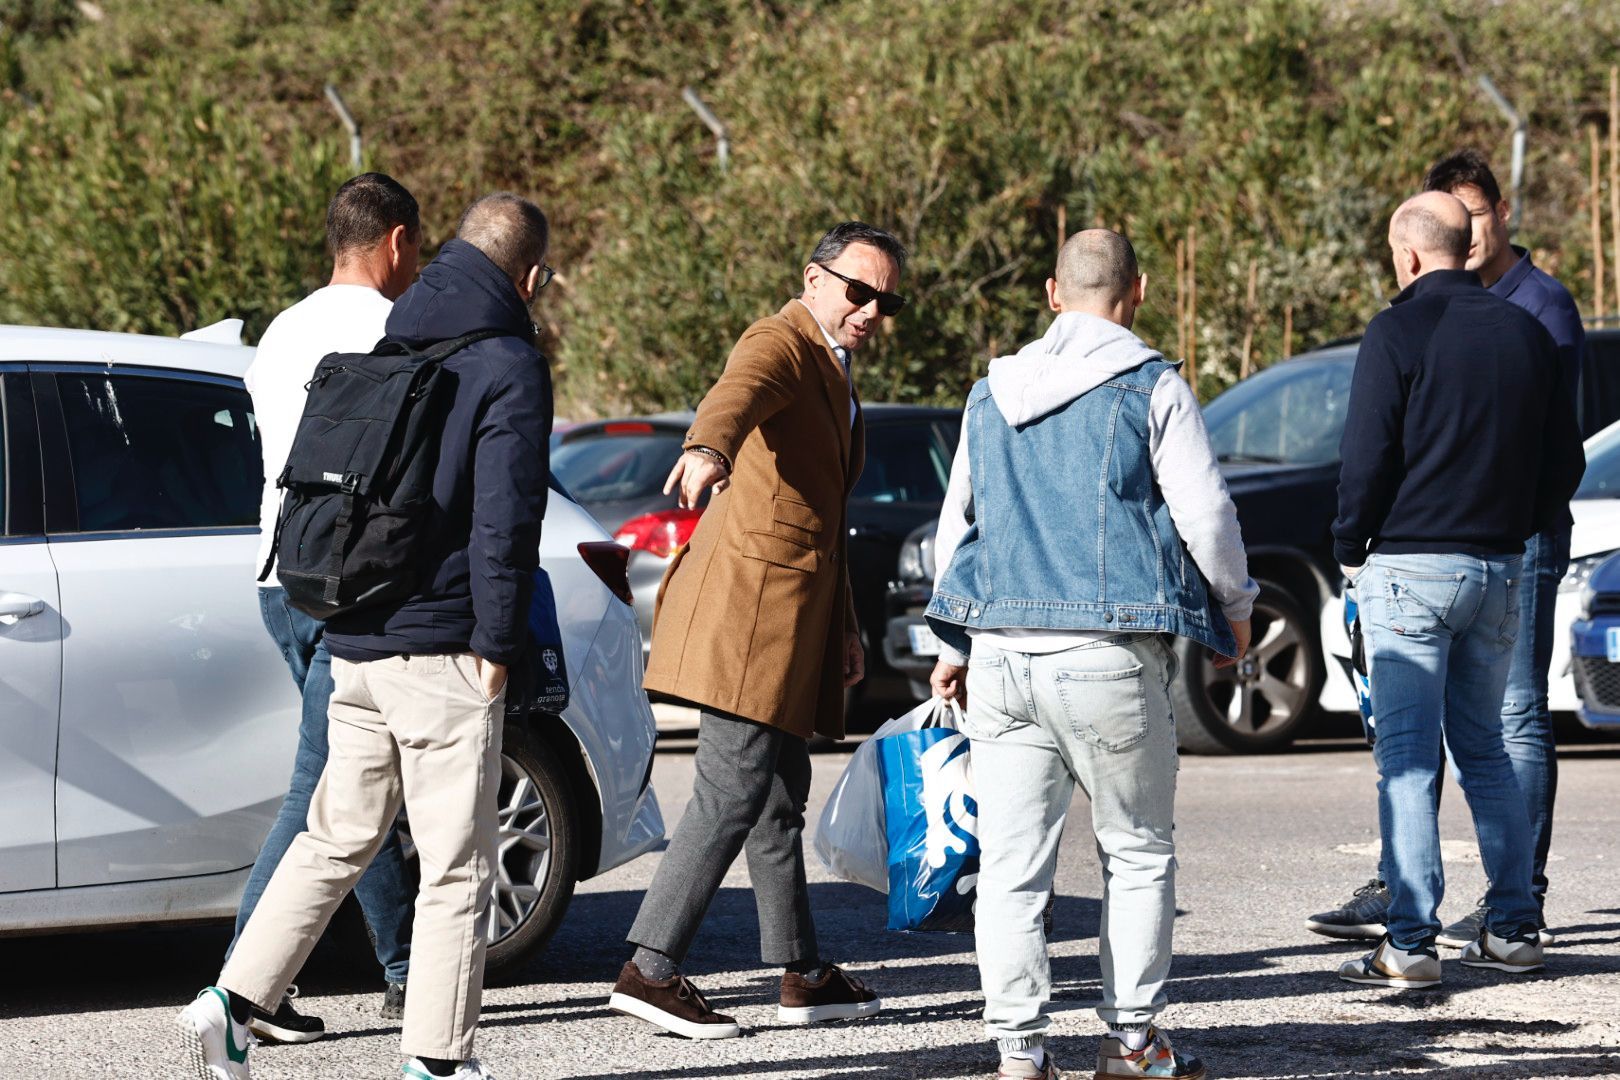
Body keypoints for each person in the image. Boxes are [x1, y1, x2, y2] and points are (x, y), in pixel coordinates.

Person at [178, 192, 555, 1080]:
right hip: (444, 652)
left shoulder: (395, 337)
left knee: (332, 836)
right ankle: (437, 1059)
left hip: (355, 637)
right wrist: (499, 647)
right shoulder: (506, 363)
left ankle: (232, 1003)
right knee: (458, 866)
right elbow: (505, 524)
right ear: (529, 277)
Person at [927, 230, 1255, 1080]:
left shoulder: (987, 394)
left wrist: (958, 637)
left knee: (1009, 868)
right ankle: (1133, 1047)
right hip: (1106, 655)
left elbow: (954, 529)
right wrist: (1235, 610)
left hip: (1001, 655)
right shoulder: (1153, 386)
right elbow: (1208, 519)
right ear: (1137, 291)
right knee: (1136, 850)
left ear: (1050, 292)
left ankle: (1018, 1054)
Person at [607, 222, 900, 1039]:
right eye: (859, 291)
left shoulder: (838, 373)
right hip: (747, 614)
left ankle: (803, 973)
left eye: (886, 298)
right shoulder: (781, 341)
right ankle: (650, 969)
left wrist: (843, 627)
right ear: (815, 279)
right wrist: (707, 448)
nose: (872, 310)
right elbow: (736, 392)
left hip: (793, 621)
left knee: (776, 797)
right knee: (733, 788)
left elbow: (824, 516)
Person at [1307, 150, 1587, 947]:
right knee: (1487, 752)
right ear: (1469, 242)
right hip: (1499, 564)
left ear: (1408, 253)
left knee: (1406, 759)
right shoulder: (1528, 332)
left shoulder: (1397, 330)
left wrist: (1348, 546)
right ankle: (1513, 926)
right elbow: (1562, 458)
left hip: (1410, 570)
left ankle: (1409, 944)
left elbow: (1366, 456)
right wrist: (1520, 522)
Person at [232, 172, 421, 1044]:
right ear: (394, 241)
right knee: (324, 789)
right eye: (414, 250)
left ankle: (403, 968)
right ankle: (244, 988)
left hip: (282, 579)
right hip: (354, 587)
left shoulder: (283, 329)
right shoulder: (395, 330)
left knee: (360, 771)